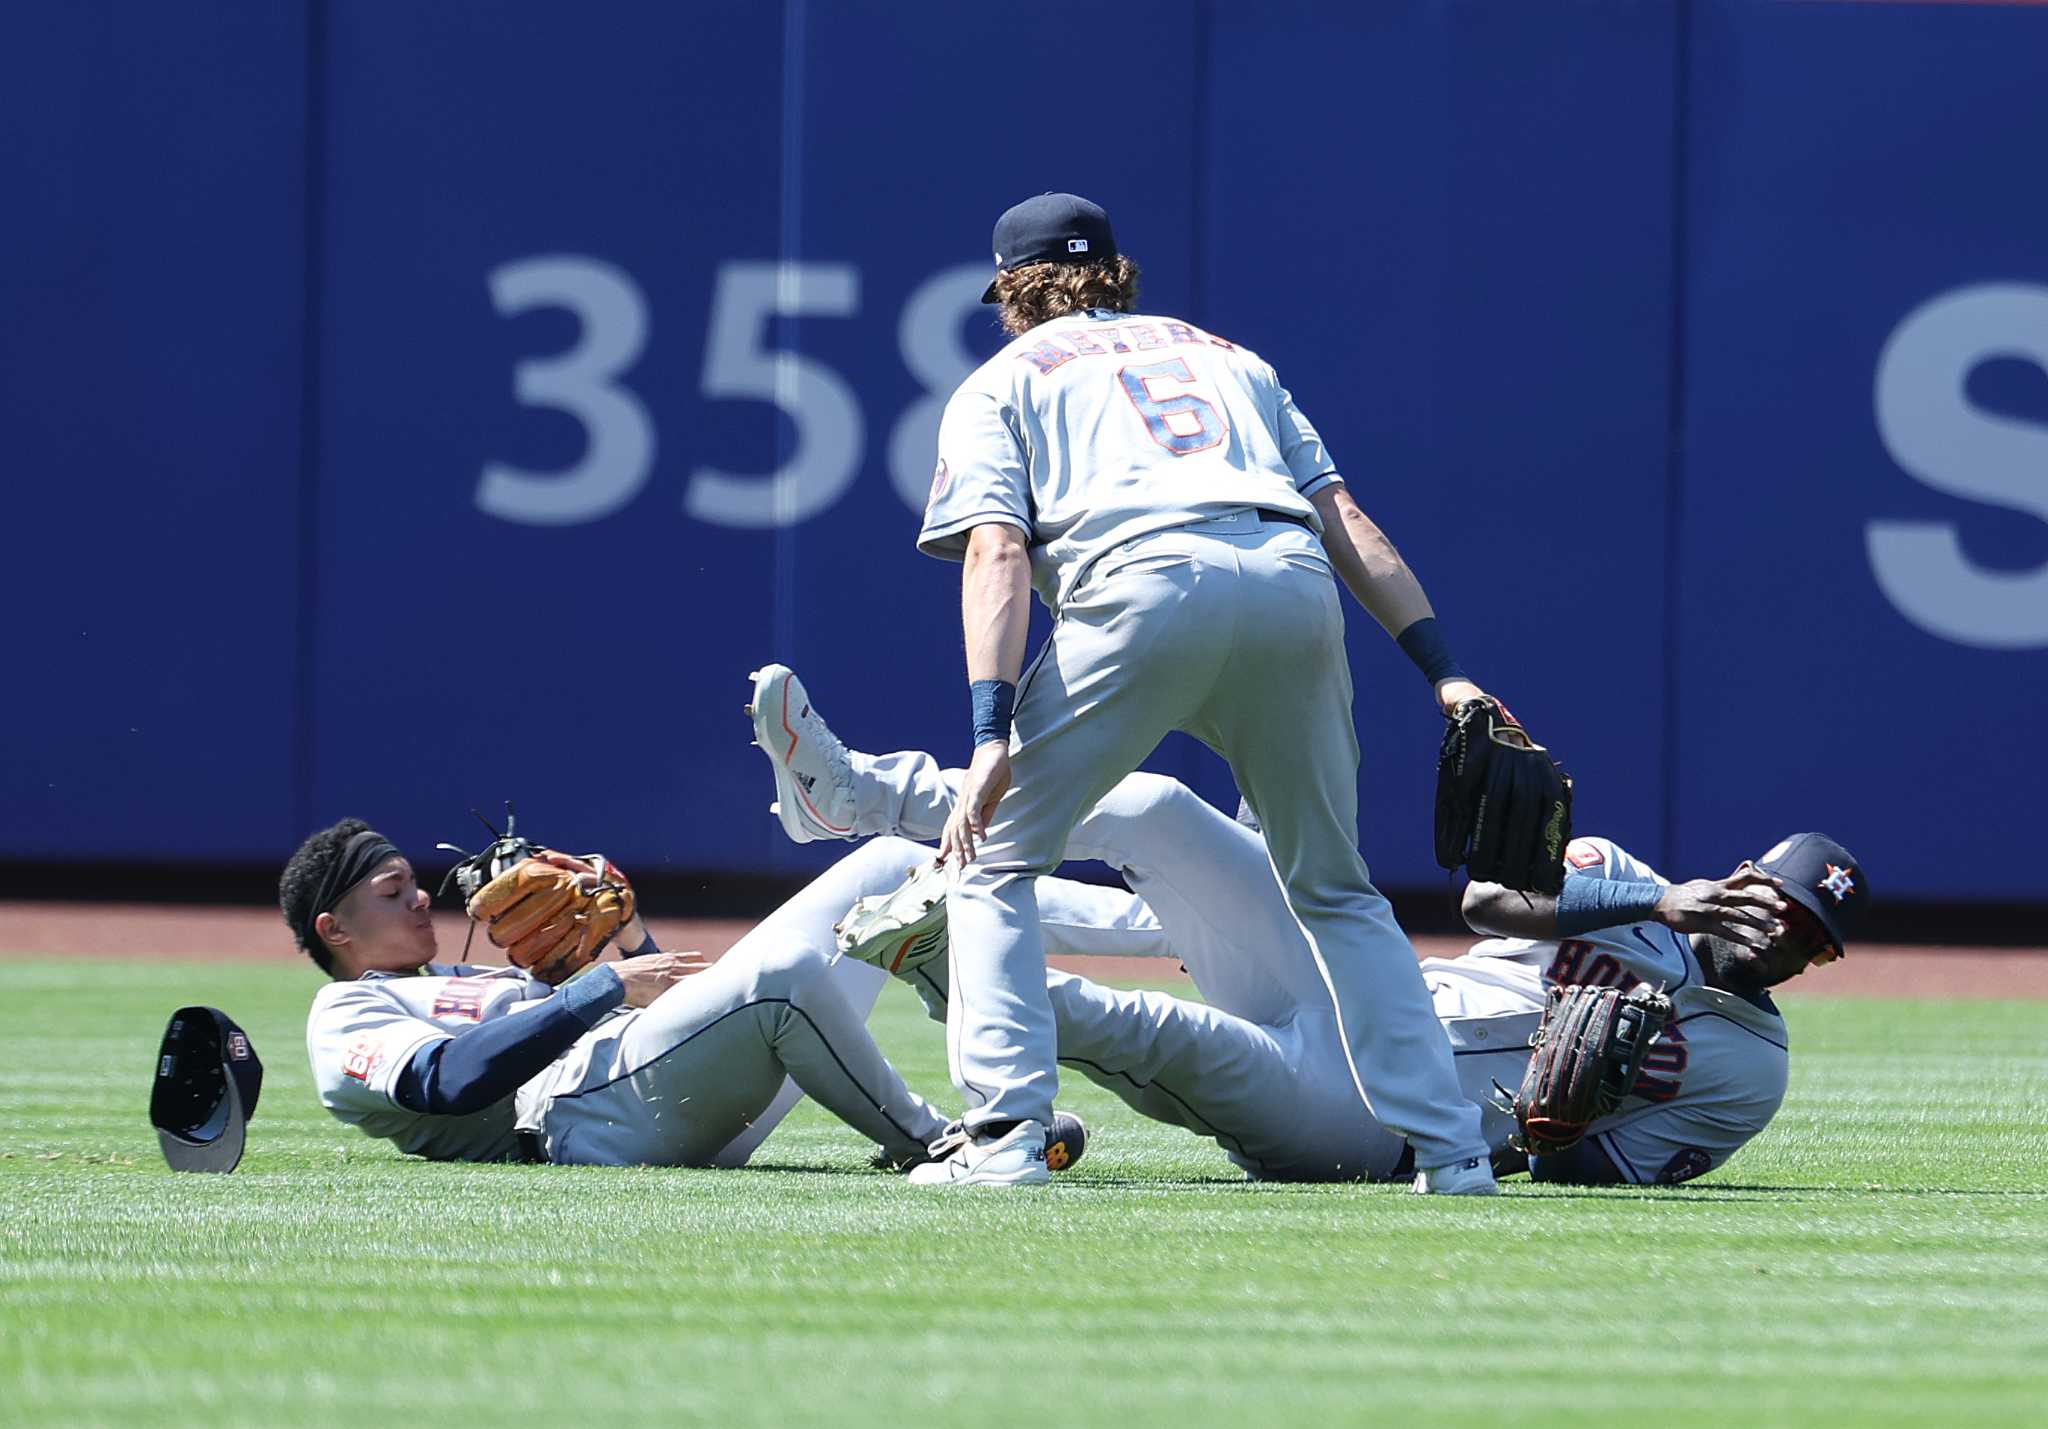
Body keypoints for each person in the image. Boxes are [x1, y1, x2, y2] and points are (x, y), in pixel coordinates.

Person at [907, 191, 1506, 1189]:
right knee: (1334, 889)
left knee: (993, 862)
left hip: (1139, 586)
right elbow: (1342, 515)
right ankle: (1452, 1154)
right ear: (1114, 270)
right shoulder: (1230, 358)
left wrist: (988, 732)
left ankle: (1007, 1138)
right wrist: (1443, 669)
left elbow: (997, 552)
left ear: (1010, 290)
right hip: (1287, 580)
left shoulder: (999, 380)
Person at [751, 670, 1868, 1185]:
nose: (1783, 930)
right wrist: (1654, 903)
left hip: (1383, 1127)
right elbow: (1483, 901)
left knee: (1139, 1027)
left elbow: (1611, 1174)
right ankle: (862, 797)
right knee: (1152, 808)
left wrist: (1551, 1132)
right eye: (1781, 900)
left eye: (1807, 933)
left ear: (1814, 960)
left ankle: (941, 955)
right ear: (1743, 875)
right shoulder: (1632, 881)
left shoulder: (1748, 1071)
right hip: (1360, 993)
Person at [281, 819, 1083, 1172]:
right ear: (335, 929)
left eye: (412, 885)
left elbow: (677, 1014)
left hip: (639, 1090)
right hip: (578, 1128)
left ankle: (1155, 926)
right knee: (781, 978)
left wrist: (630, 939)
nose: (420, 897)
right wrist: (597, 984)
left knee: (889, 867)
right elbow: (447, 1084)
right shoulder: (343, 1014)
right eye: (392, 893)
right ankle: (943, 1141)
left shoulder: (463, 978)